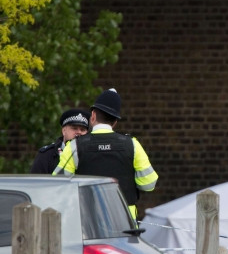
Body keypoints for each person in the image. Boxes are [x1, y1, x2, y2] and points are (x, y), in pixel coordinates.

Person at [53, 89, 158, 220]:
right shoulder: (132, 144)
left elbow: (57, 184)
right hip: (125, 224)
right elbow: (149, 184)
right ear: (115, 122)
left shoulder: (75, 146)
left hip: (87, 224)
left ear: (93, 116)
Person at [31, 108, 90, 174]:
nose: (79, 132)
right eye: (74, 128)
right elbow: (37, 182)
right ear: (64, 131)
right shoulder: (47, 155)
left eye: (82, 130)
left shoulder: (92, 154)